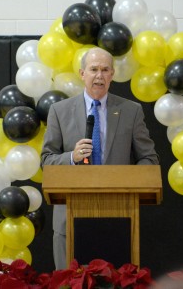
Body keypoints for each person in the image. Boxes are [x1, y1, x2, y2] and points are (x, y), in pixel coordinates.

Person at [41, 47, 159, 270]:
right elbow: (47, 160)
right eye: (93, 69)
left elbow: (149, 160)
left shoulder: (131, 111)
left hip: (118, 217)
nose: (99, 75)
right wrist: (72, 157)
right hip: (69, 219)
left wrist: (124, 180)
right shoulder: (59, 110)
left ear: (112, 74)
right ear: (82, 73)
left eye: (105, 70)